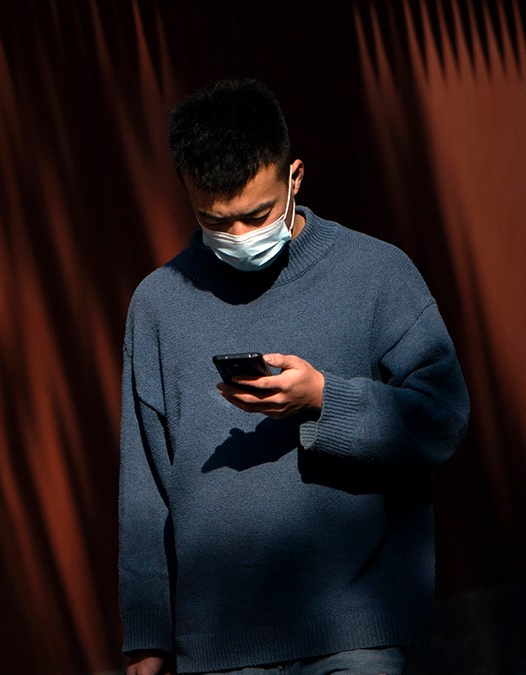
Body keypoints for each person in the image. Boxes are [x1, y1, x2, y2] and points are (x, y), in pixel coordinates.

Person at [118, 79, 469, 675]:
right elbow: (145, 491)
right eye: (215, 221)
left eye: (257, 215)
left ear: (295, 177)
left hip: (355, 636)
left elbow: (441, 418)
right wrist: (147, 647)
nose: (239, 238)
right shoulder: (158, 305)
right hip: (220, 647)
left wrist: (324, 400)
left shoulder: (376, 274)